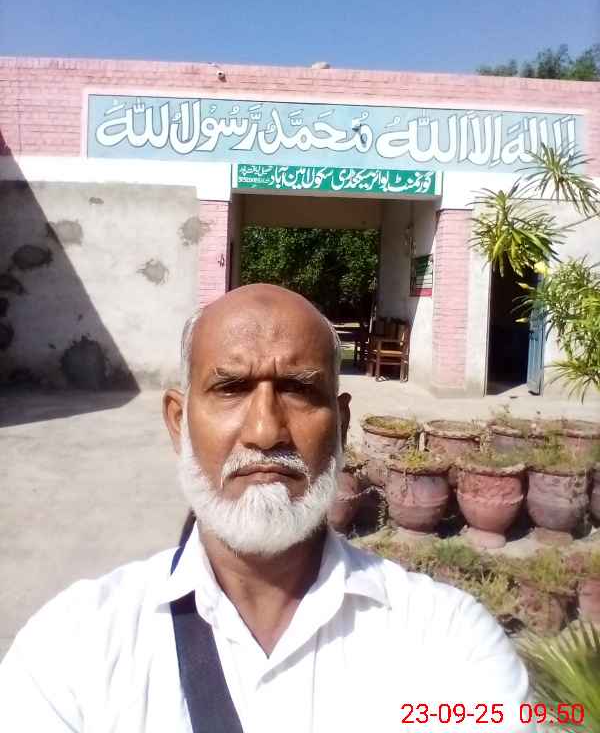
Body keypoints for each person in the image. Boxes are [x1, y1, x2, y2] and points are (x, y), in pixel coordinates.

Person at [0, 284, 533, 732]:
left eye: (298, 390)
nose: (264, 431)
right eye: (231, 388)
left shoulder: (447, 643)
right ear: (178, 423)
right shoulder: (74, 648)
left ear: (341, 426)